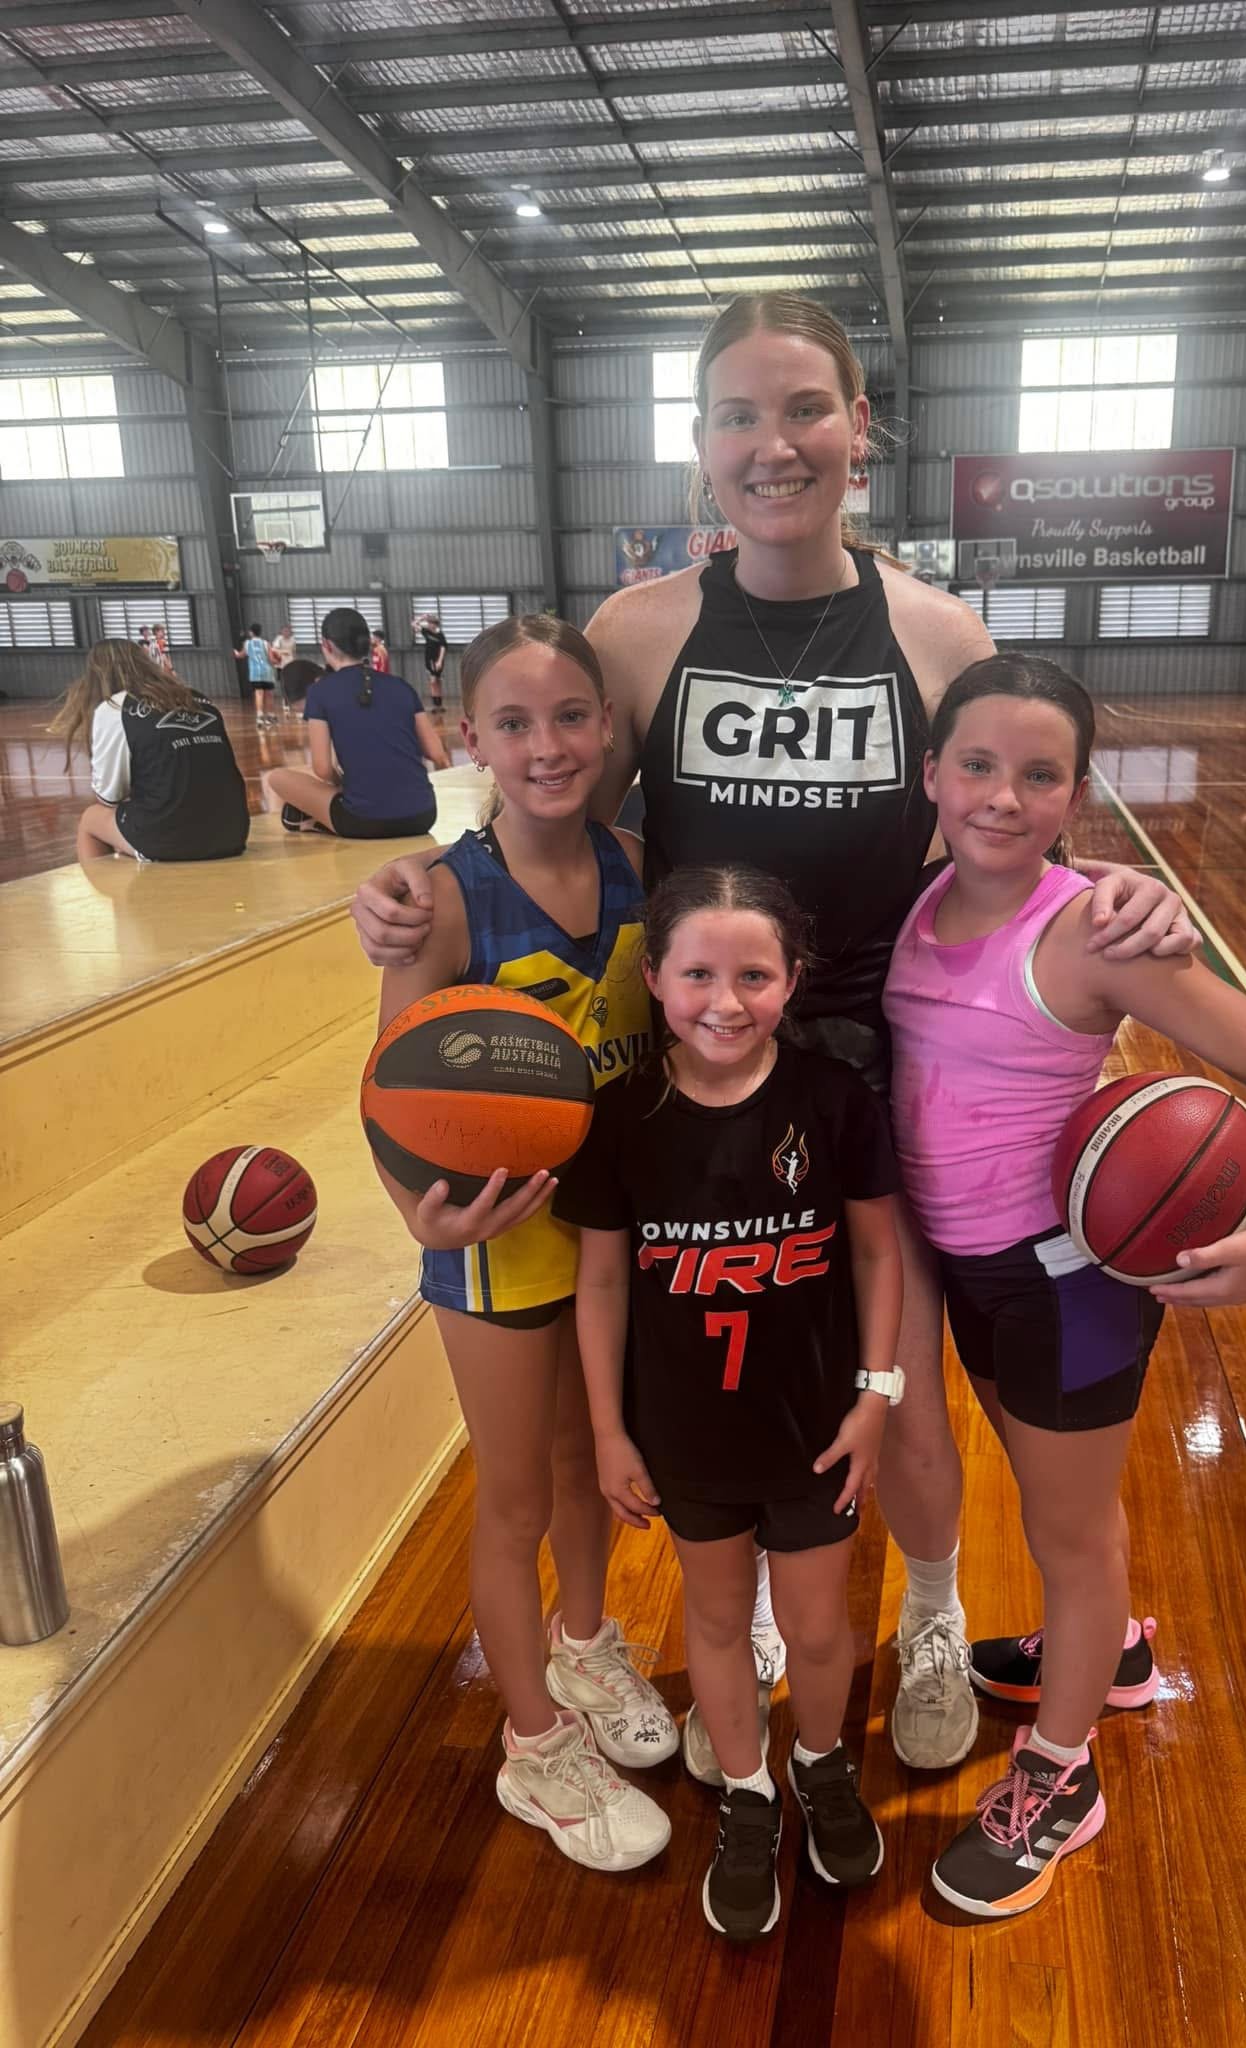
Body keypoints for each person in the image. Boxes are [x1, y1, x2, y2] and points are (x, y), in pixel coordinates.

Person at [343, 292, 1196, 1773]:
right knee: (703, 1357)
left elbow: (1004, 819)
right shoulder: (643, 627)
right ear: (699, 445)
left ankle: (930, 1607)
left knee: (902, 1383)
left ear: (860, 430)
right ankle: (729, 1611)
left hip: (881, 1068)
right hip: (699, 1068)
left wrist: (1113, 900)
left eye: (805, 410)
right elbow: (556, 817)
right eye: (738, 414)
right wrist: (420, 891)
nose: (774, 443)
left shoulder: (933, 628)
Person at [882, 654, 1246, 1918]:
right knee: (1039, 1512)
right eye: (977, 764)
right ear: (932, 774)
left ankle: (1061, 1776)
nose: (1002, 796)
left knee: (1069, 1533)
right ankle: (1112, 1652)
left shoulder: (1091, 929)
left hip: (1061, 1282)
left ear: (1076, 795)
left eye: (1039, 775)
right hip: (954, 1265)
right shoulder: (913, 907)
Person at [371, 613, 675, 1873]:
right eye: (514, 722)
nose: (546, 745)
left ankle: (588, 1640)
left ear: (609, 727)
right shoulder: (442, 896)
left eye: (569, 717)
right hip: (496, 1243)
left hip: (607, 1231)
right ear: (473, 737)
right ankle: (536, 1749)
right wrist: (418, 1214)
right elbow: (389, 1081)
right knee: (507, 1501)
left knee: (578, 1460)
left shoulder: (643, 860)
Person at [556, 866, 903, 1940]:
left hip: (814, 1428)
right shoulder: (621, 1116)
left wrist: (878, 1395)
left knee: (813, 1623)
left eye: (753, 973)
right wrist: (610, 1428)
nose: (724, 998)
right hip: (687, 1435)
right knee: (714, 1616)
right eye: (697, 972)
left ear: (792, 980)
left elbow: (881, 1252)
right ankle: (749, 1793)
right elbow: (604, 1278)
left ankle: (820, 1762)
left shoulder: (834, 1100)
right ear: (653, 977)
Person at [51, 639, 249, 864]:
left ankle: (108, 896)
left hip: (170, 838)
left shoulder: (114, 708)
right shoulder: (198, 697)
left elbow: (108, 796)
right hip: (233, 830)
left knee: (91, 819)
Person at [262, 606, 447, 838]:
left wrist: (341, 786)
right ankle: (318, 819)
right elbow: (436, 752)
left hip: (362, 821)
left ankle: (316, 821)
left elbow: (322, 768)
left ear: (327, 646)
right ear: (367, 643)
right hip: (423, 816)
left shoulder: (320, 693)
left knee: (278, 777)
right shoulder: (402, 687)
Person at [239, 622, 278, 728]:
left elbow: (241, 655)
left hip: (255, 673)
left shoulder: (247, 643)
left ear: (251, 632)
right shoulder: (266, 643)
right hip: (267, 672)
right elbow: (271, 659)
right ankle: (271, 716)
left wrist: (236, 654)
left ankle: (260, 716)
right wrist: (278, 660)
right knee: (269, 694)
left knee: (259, 694)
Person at [413, 613, 448, 710]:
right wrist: (421, 618)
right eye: (428, 623)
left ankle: (440, 704)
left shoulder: (440, 635)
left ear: (435, 624)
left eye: (431, 623)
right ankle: (435, 705)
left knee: (438, 681)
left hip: (437, 660)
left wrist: (440, 661)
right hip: (429, 659)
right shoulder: (426, 632)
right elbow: (414, 625)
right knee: (432, 681)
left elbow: (443, 648)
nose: (429, 625)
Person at [269, 623, 297, 711]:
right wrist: (283, 652)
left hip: (290, 663)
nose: (286, 632)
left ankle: (292, 699)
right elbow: (273, 649)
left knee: (291, 683)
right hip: (281, 665)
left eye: (288, 630)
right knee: (283, 683)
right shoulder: (279, 639)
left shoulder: (293, 640)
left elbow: (294, 652)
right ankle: (285, 701)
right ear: (281, 631)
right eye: (284, 630)